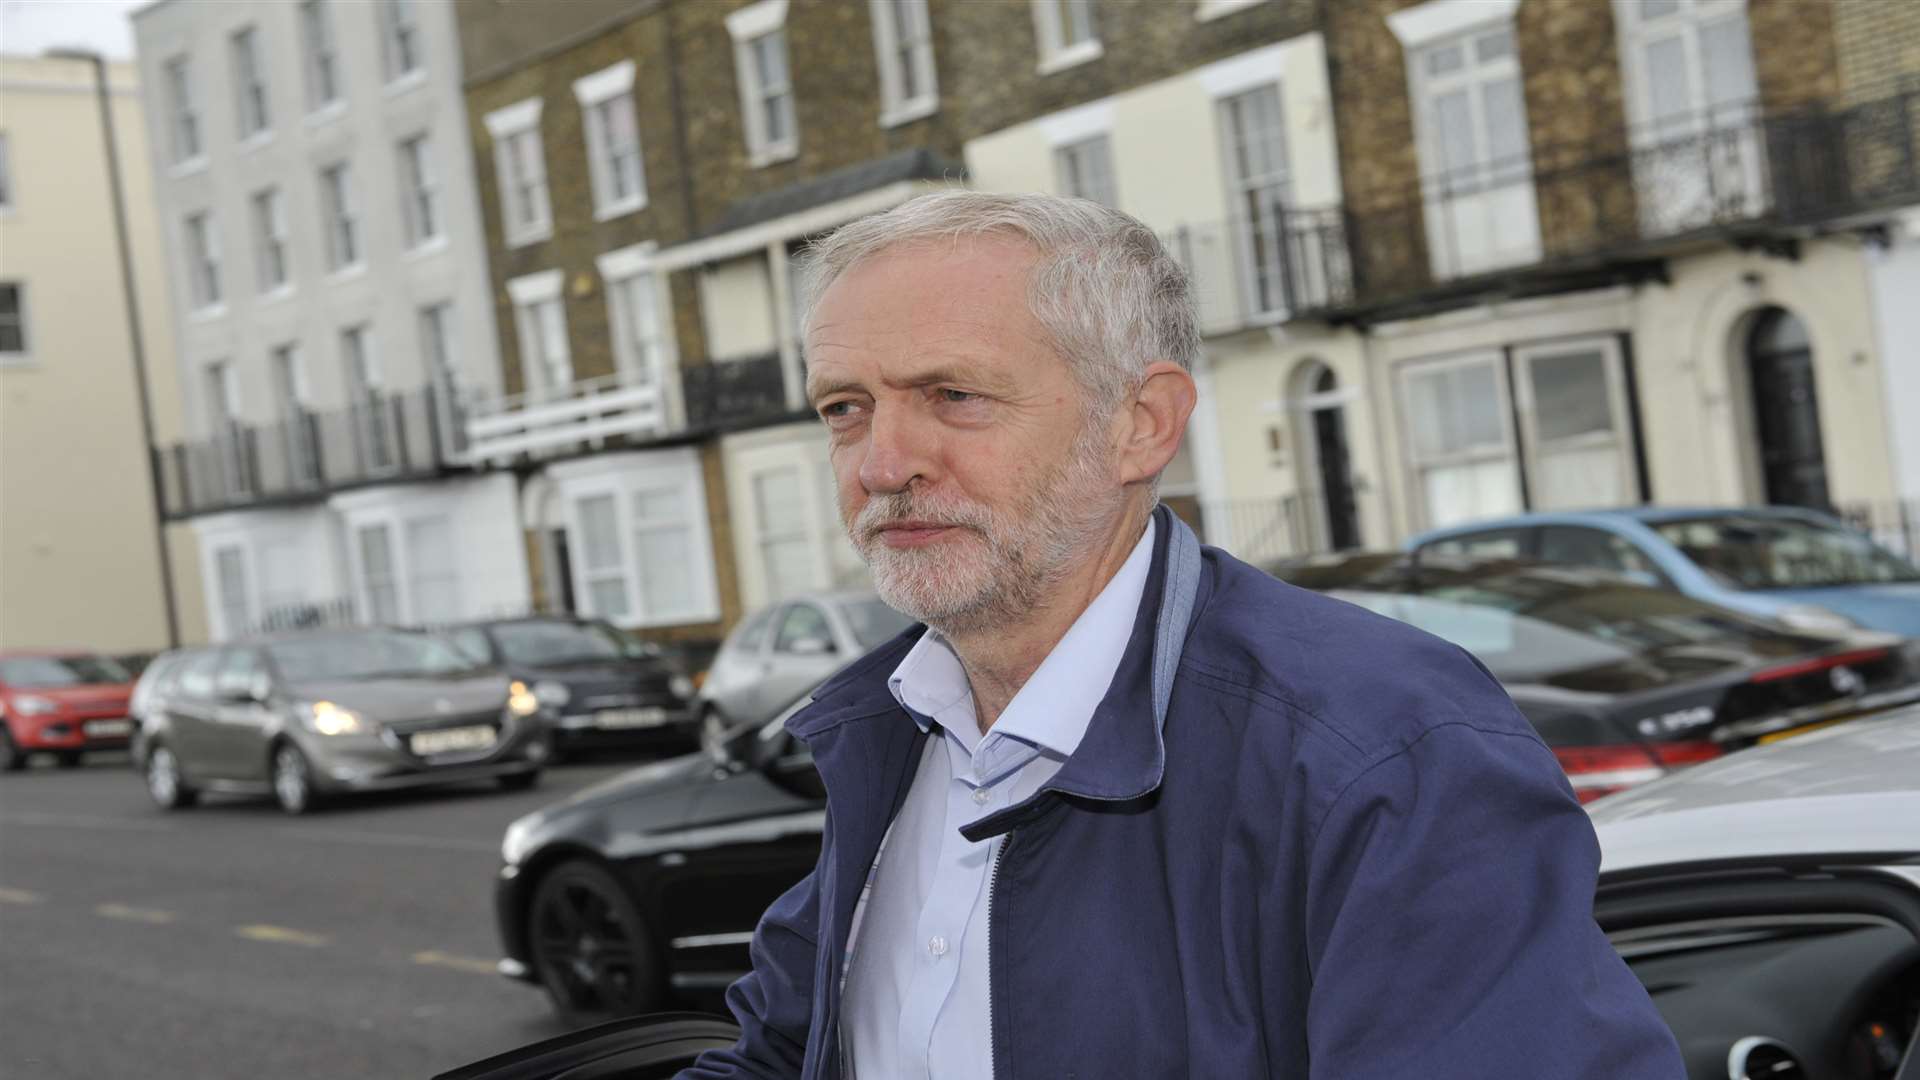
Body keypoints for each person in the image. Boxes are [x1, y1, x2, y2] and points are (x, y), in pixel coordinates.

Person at [679, 191, 1683, 1079]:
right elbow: (775, 1054)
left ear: (1143, 424)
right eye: (845, 409)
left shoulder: (1382, 750)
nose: (882, 463)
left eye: (954, 395)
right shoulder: (888, 732)